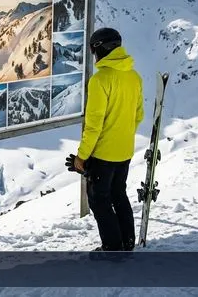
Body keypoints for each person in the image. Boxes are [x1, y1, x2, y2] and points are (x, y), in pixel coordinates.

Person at [70, 27, 143, 251]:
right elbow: (138, 116)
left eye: (93, 50)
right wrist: (120, 135)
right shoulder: (133, 76)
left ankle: (112, 248)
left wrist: (82, 157)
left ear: (99, 49)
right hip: (125, 151)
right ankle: (127, 242)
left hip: (103, 153)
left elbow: (93, 126)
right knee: (118, 194)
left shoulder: (100, 80)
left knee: (99, 200)